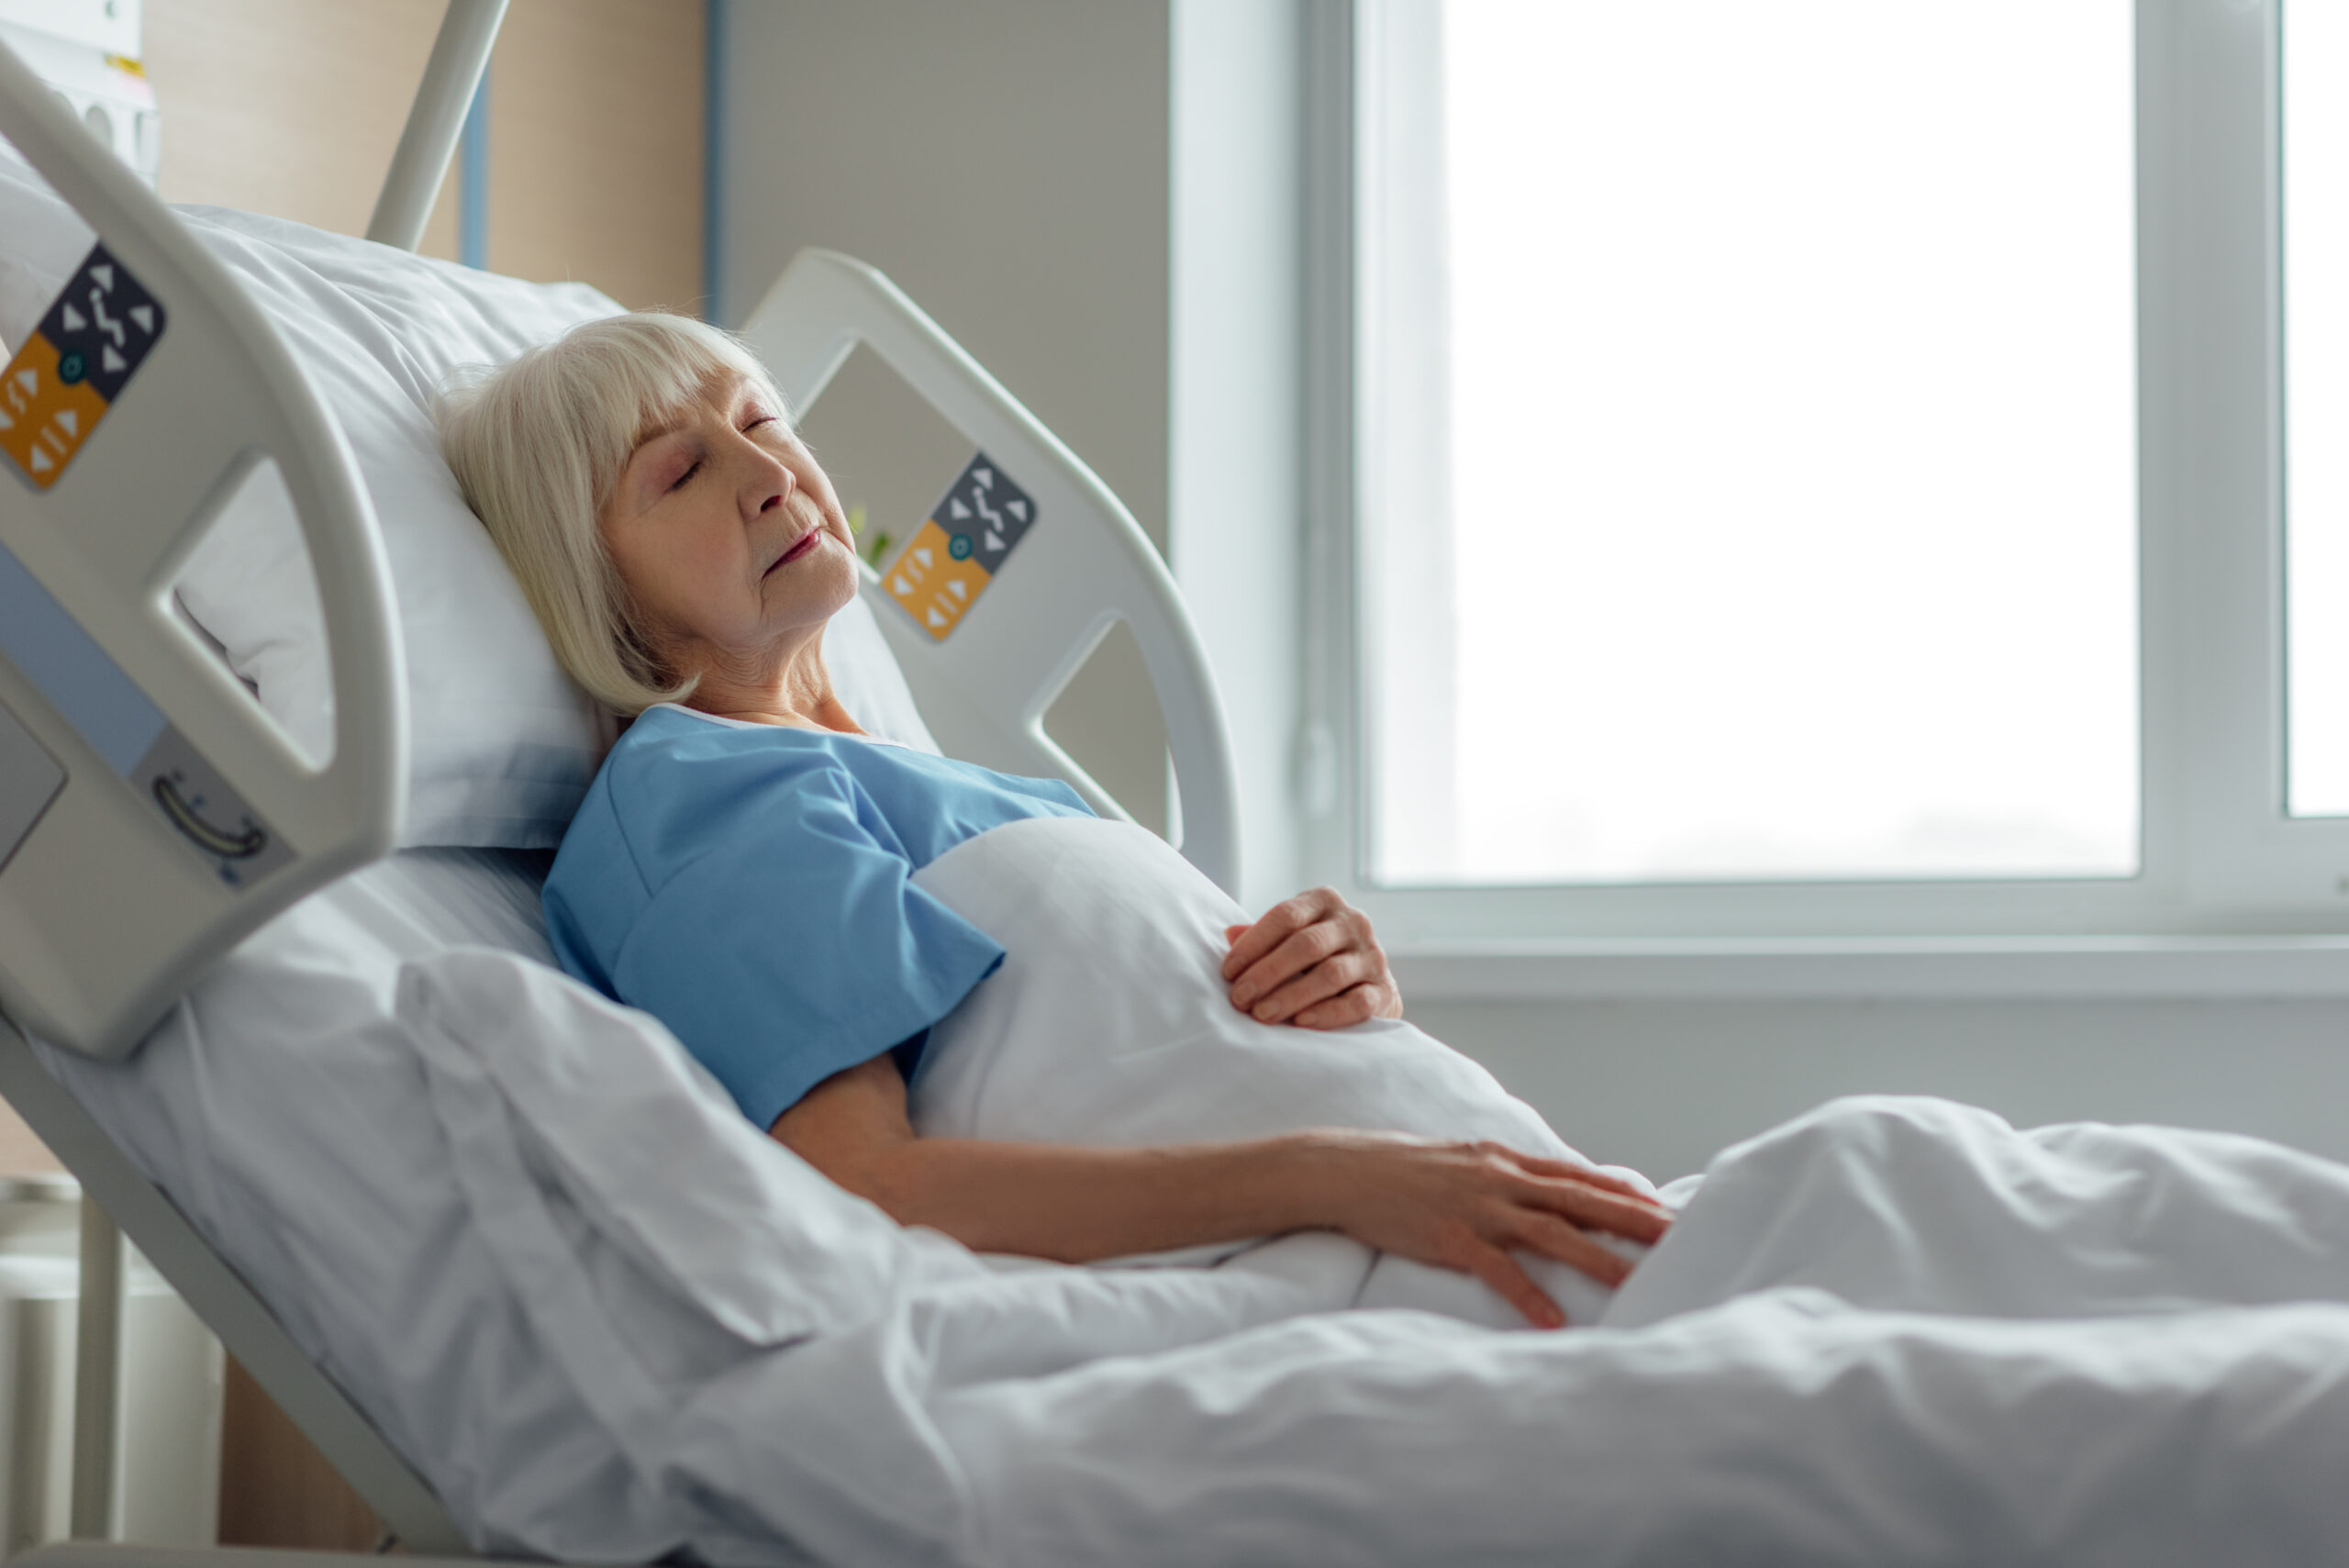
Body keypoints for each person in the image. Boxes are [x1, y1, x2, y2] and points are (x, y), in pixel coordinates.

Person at [436, 312, 1669, 1329]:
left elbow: (1145, 1034)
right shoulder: (700, 789)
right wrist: (1338, 1171)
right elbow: (871, 1186)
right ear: (596, 587)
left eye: (759, 421)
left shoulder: (924, 779)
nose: (768, 474)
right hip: (1366, 1265)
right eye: (681, 471)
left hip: (1468, 1195)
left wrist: (1339, 982)